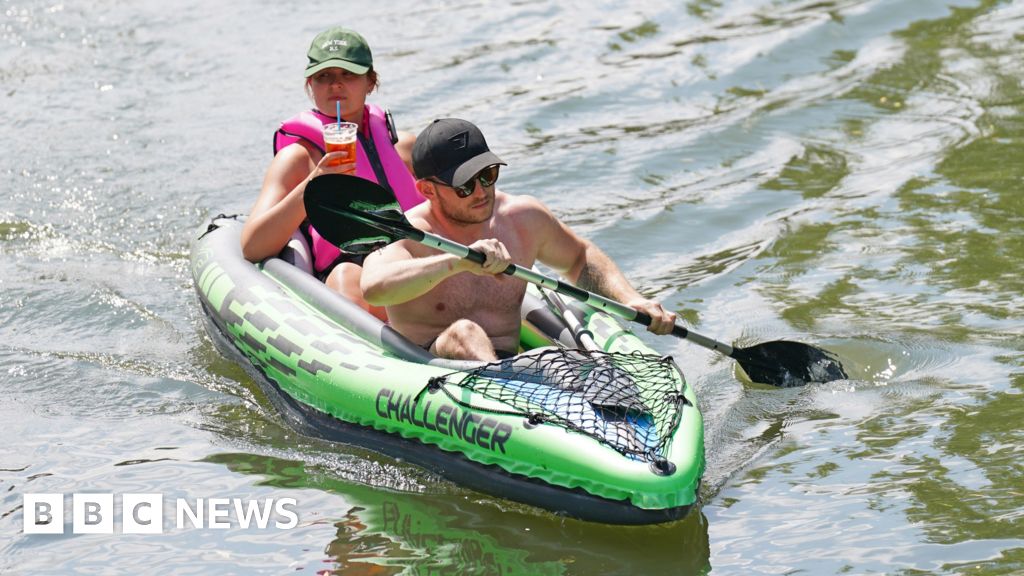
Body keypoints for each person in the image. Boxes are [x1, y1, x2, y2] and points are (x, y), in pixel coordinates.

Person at [360, 118, 677, 361]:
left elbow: (580, 256)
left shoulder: (522, 217)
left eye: (488, 175)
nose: (482, 192)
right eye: (464, 186)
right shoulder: (405, 231)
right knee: (464, 332)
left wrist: (629, 298)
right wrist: (457, 262)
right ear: (428, 190)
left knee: (567, 365)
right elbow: (374, 287)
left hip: (512, 366)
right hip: (432, 368)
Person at [240, 27, 424, 321]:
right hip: (354, 273)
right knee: (345, 276)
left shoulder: (404, 148)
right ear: (310, 84)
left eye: (347, 75)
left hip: (415, 263)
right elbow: (252, 246)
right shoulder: (297, 158)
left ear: (371, 82)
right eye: (323, 77)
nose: (335, 86)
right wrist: (313, 184)